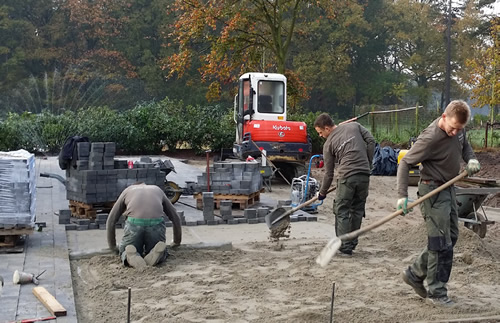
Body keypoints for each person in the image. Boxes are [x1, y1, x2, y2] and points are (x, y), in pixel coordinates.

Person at [397, 100, 480, 306]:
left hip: (448, 188)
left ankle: (415, 273)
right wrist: (402, 195)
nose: (455, 133)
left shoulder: (459, 129)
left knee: (451, 236)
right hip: (432, 189)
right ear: (444, 117)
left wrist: (471, 158)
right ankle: (437, 292)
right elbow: (405, 162)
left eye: (459, 129)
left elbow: (465, 146)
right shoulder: (430, 137)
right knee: (440, 242)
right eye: (452, 128)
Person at [314, 113, 375, 255]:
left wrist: (322, 193)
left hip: (346, 177)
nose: (320, 136)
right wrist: (368, 163)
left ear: (327, 128)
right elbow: (371, 141)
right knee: (357, 209)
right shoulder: (354, 126)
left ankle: (344, 246)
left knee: (342, 209)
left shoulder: (328, 144)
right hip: (364, 176)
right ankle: (352, 243)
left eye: (321, 132)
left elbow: (329, 174)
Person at [107, 183, 182, 268]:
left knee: (126, 250)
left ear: (135, 185)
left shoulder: (128, 190)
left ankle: (129, 256)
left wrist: (113, 246)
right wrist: (176, 242)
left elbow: (111, 220)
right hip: (156, 225)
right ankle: (157, 254)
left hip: (134, 225)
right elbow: (175, 217)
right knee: (160, 250)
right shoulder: (157, 189)